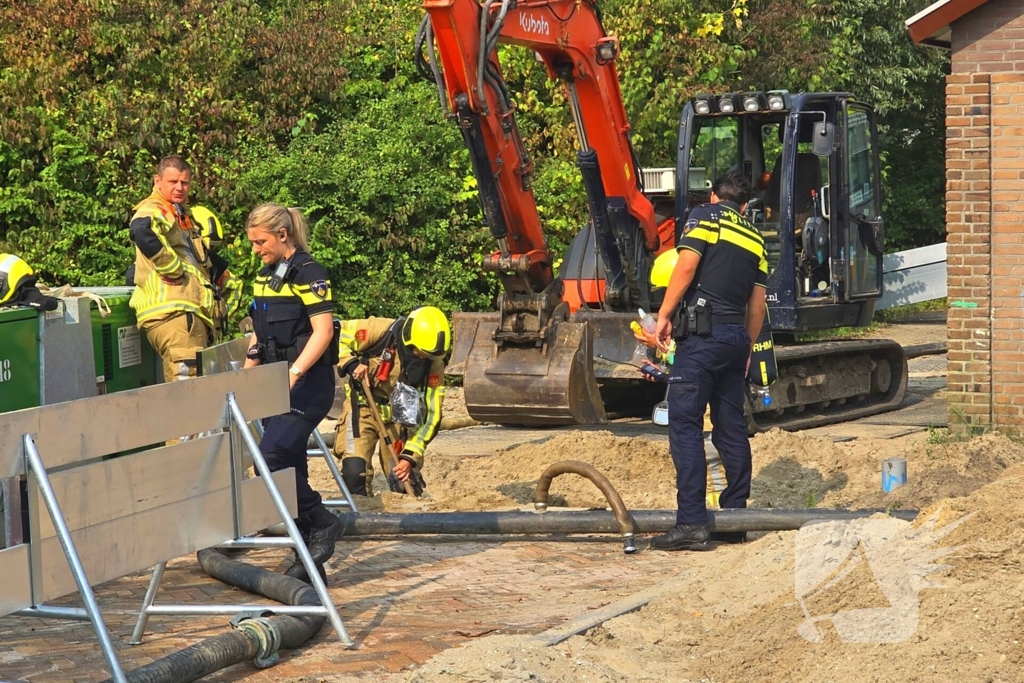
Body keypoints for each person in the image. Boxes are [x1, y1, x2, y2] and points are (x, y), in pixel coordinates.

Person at [651, 169, 768, 551]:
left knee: (684, 425)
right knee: (730, 427)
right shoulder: (755, 237)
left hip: (703, 337)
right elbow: (757, 303)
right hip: (735, 339)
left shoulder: (705, 216)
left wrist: (663, 316)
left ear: (715, 196)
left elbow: (686, 266)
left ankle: (691, 524)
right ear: (745, 204)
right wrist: (747, 347)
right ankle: (734, 520)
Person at [242, 202, 341, 581]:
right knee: (289, 467)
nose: (256, 249)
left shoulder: (309, 273)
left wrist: (295, 373)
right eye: (252, 242)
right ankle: (308, 561)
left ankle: (323, 521)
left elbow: (323, 331)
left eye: (260, 241)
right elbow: (259, 335)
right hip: (271, 384)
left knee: (270, 457)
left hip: (306, 385)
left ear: (282, 235)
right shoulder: (265, 277)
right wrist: (245, 377)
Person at [336, 307, 451, 497]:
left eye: (428, 356)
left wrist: (409, 458)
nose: (422, 359)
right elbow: (335, 333)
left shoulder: (433, 364)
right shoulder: (378, 331)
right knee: (354, 473)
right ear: (407, 339)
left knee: (405, 483)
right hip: (363, 408)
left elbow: (432, 415)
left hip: (400, 420)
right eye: (419, 353)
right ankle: (362, 515)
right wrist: (351, 363)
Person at [127, 155, 218, 383]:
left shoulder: (178, 212)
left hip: (183, 314)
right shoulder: (156, 208)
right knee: (188, 392)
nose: (179, 187)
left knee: (192, 388)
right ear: (157, 181)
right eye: (173, 181)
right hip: (176, 314)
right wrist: (173, 269)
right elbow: (140, 230)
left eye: (185, 182)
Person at [189, 205, 243, 337]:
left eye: (211, 247)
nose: (209, 252)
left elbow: (235, 285)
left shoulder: (213, 268)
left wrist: (220, 317)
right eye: (208, 246)